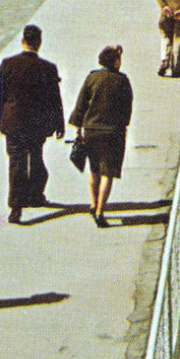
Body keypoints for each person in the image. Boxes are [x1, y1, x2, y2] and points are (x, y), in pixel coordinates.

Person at [0, 24, 65, 223]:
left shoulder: (8, 64)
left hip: (13, 122)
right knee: (36, 157)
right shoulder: (48, 68)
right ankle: (35, 194)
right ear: (39, 43)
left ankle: (16, 206)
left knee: (16, 162)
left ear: (22, 41)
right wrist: (59, 123)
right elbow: (54, 98)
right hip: (37, 123)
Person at [70, 45, 135, 227]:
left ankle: (92, 203)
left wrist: (78, 130)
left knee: (94, 170)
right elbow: (127, 109)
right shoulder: (122, 81)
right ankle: (100, 211)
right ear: (115, 62)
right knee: (108, 173)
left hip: (91, 131)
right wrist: (122, 125)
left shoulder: (92, 78)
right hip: (112, 133)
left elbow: (81, 104)